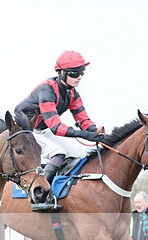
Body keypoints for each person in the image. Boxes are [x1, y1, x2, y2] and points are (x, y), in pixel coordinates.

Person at [15, 50, 104, 189]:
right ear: (62, 73)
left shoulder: (73, 93)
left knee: (80, 154)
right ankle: (42, 194)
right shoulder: (47, 90)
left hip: (42, 130)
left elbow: (83, 119)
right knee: (57, 151)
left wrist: (95, 132)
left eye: (82, 72)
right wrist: (85, 134)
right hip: (25, 131)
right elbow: (55, 127)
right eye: (74, 73)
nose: (79, 77)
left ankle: (63, 189)